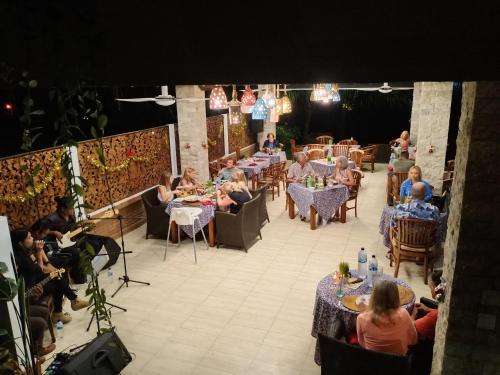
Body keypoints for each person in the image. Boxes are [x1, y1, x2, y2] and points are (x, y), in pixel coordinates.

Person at [11, 229, 89, 324]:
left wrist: (43, 256)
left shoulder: (26, 251)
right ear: (20, 243)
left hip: (35, 280)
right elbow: (39, 271)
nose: (32, 238)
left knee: (56, 275)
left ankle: (68, 305)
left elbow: (37, 269)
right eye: (29, 237)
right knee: (56, 282)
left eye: (31, 236)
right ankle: (64, 308)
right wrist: (39, 252)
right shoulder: (20, 257)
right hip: (32, 289)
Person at [46, 197, 122, 272]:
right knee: (77, 253)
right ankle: (79, 273)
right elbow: (40, 232)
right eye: (71, 208)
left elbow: (74, 228)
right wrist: (54, 232)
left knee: (98, 243)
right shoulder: (52, 218)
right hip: (60, 245)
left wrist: (86, 228)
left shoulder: (71, 216)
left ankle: (96, 266)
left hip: (74, 238)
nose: (73, 209)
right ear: (62, 209)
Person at [356, 280, 417, 356]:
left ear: (373, 296)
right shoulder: (403, 313)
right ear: (396, 297)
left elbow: (361, 342)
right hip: (398, 363)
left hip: (371, 361)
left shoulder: (361, 318)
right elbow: (413, 341)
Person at [31, 219, 83, 283]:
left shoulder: (38, 237)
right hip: (36, 263)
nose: (45, 236)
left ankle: (70, 282)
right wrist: (50, 268)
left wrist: (48, 264)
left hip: (45, 255)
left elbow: (41, 250)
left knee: (65, 258)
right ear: (37, 232)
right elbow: (38, 265)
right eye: (44, 234)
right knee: (59, 261)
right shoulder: (30, 240)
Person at [412, 270, 444, 341]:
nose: (430, 290)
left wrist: (413, 315)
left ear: (435, 287)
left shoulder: (434, 316)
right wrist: (428, 309)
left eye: (430, 287)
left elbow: (412, 326)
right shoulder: (443, 307)